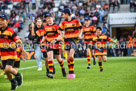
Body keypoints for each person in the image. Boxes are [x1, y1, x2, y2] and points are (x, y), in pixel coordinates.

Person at [0, 13, 27, 90]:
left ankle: (18, 75)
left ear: (7, 21)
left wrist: (23, 50)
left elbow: (19, 41)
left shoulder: (10, 31)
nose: (0, 22)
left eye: (2, 20)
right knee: (6, 72)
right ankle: (13, 82)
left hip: (11, 54)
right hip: (3, 55)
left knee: (8, 69)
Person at [59, 8, 82, 79]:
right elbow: (59, 30)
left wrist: (80, 34)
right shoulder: (64, 23)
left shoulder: (76, 20)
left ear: (67, 14)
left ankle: (72, 73)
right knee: (68, 58)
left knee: (71, 56)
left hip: (74, 40)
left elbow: (81, 28)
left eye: (63, 14)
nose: (62, 16)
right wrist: (62, 35)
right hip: (67, 40)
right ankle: (70, 72)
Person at [41, 13, 66, 79]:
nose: (48, 20)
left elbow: (60, 35)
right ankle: (51, 73)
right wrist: (42, 40)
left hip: (57, 44)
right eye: (47, 18)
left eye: (49, 18)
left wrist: (55, 40)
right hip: (49, 44)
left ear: (53, 18)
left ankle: (63, 68)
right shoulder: (45, 27)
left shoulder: (56, 26)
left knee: (59, 59)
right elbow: (45, 35)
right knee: (49, 57)